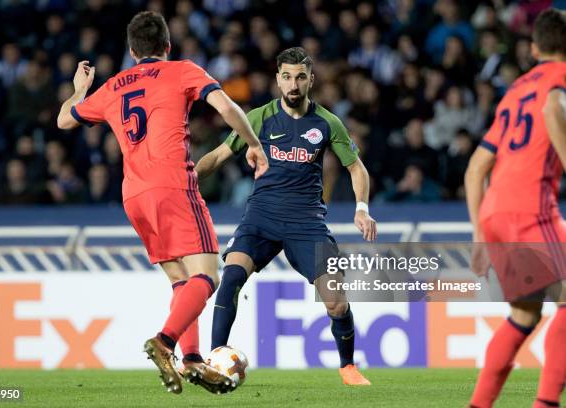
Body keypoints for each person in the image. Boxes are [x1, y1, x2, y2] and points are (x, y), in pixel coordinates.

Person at [56, 11, 268, 395]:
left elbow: (63, 121)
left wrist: (79, 89)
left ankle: (191, 360)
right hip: (173, 185)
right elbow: (227, 108)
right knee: (209, 275)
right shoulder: (182, 70)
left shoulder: (114, 86)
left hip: (134, 194)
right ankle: (165, 342)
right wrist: (254, 145)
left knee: (181, 281)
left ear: (132, 50)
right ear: (167, 47)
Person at [195, 47, 377, 386]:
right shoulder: (259, 118)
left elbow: (356, 168)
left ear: (311, 79)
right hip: (260, 217)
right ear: (278, 79)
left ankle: (348, 366)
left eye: (300, 77)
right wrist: (188, 179)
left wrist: (362, 208)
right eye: (287, 77)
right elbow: (220, 156)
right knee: (232, 276)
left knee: (336, 303)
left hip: (307, 223)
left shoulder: (327, 122)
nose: (293, 85)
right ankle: (215, 358)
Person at [465, 9, 566, 408]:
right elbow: (552, 110)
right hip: (531, 208)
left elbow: (475, 168)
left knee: (525, 315)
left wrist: (477, 235)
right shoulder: (561, 81)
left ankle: (478, 405)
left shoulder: (516, 89)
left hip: (494, 214)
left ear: (534, 47)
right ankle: (545, 404)